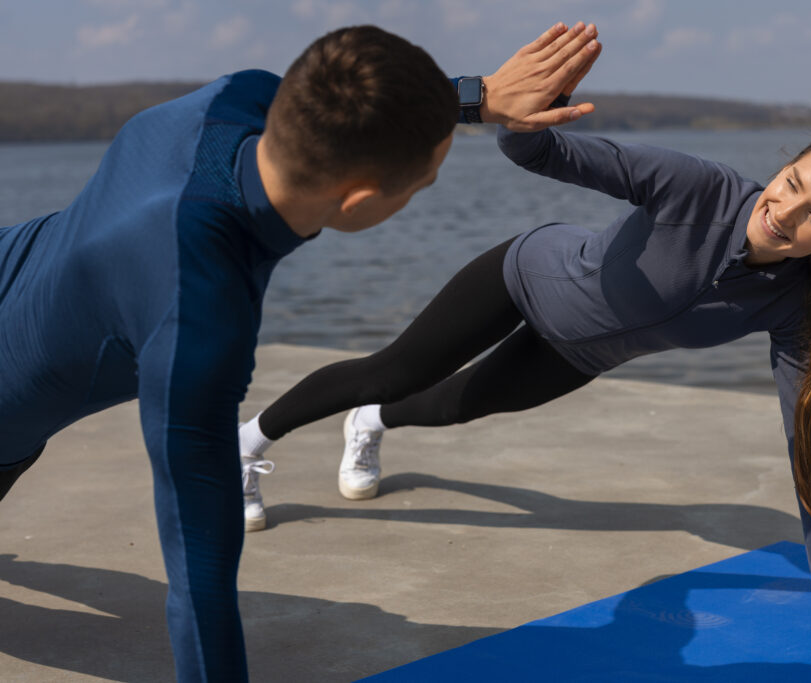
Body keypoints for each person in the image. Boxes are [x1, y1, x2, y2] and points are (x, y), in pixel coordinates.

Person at [0, 22, 601, 681]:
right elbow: (197, 575)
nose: (417, 194)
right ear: (361, 200)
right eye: (420, 186)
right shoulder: (198, 309)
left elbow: (340, 100)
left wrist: (475, 97)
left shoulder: (236, 98)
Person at [238, 98, 811, 634]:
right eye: (790, 182)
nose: (785, 211)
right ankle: (248, 442)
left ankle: (371, 424)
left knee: (456, 404)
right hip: (523, 275)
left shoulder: (794, 306)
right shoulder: (698, 188)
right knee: (394, 368)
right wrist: (522, 112)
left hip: (578, 354)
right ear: (782, 166)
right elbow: (538, 150)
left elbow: (810, 439)